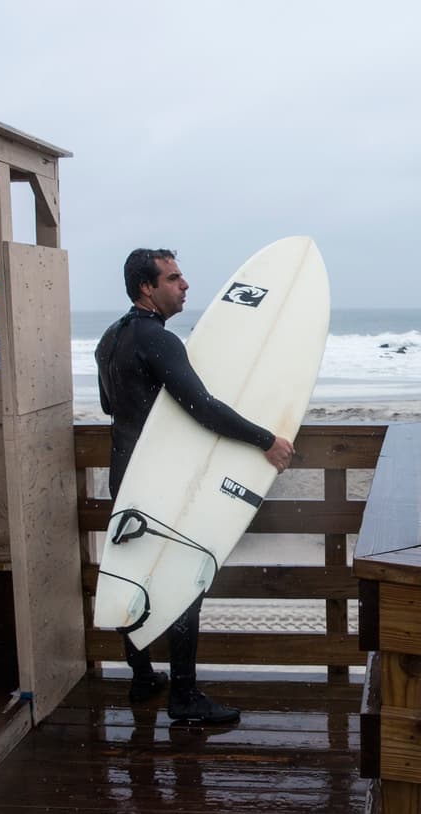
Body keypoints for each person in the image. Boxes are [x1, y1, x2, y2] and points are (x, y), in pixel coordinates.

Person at [96, 248, 294, 724]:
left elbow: (110, 406)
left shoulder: (109, 339)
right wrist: (265, 440)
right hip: (161, 478)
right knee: (185, 579)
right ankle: (184, 697)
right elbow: (201, 407)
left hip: (123, 474)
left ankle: (143, 677)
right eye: (174, 278)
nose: (185, 286)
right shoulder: (158, 341)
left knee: (137, 574)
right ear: (148, 287)